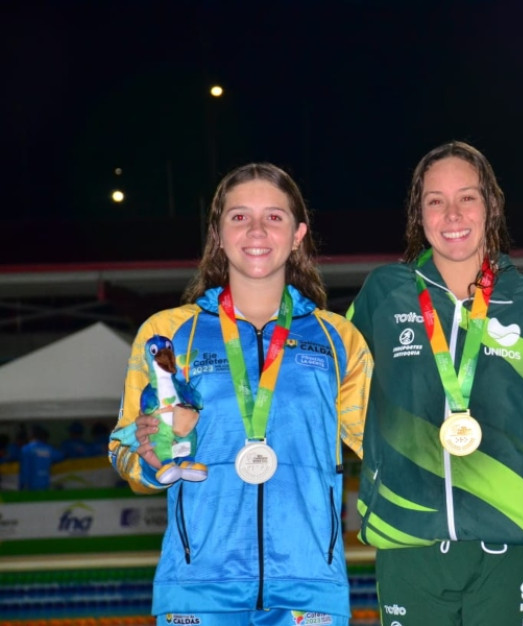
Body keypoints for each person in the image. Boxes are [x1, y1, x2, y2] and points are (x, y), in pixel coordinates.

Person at [109, 162, 372, 626]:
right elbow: (123, 448)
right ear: (217, 234)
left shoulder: (338, 339)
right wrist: (150, 460)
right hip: (199, 585)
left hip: (308, 584)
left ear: (298, 234)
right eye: (239, 216)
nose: (256, 230)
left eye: (274, 216)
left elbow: (382, 445)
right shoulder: (168, 335)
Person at [346, 141, 523, 626]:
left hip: (514, 542)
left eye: (467, 197)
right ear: (418, 213)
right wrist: (384, 463)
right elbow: (342, 389)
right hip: (409, 541)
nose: (452, 215)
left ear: (491, 205)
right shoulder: (384, 293)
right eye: (435, 201)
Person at [19, 424, 64, 490]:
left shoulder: (26, 449)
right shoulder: (48, 449)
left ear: (31, 435)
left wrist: (21, 486)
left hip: (30, 485)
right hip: (45, 483)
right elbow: (61, 456)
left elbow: (24, 469)